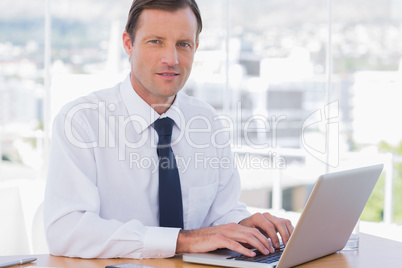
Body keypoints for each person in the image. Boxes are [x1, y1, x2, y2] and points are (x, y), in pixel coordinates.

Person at [44, 0, 294, 259]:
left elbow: (220, 214)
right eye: (156, 41)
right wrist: (181, 241)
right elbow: (65, 230)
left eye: (183, 44)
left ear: (195, 48)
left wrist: (245, 226)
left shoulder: (206, 121)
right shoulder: (82, 121)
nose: (171, 59)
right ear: (128, 44)